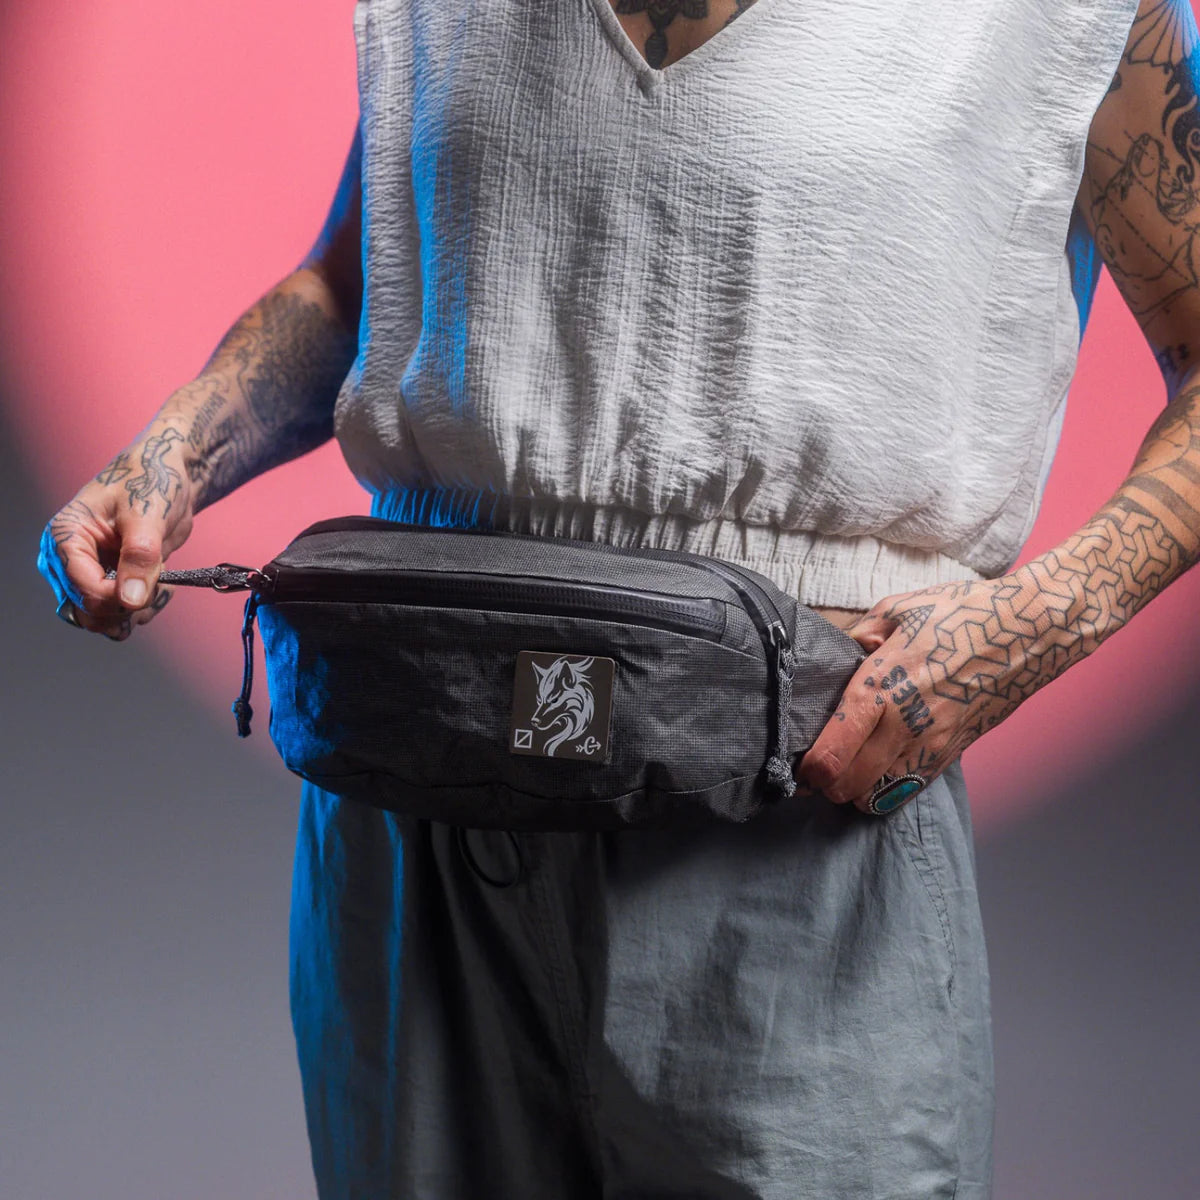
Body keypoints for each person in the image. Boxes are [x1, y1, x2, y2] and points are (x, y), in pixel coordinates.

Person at [37, 0, 1200, 1195]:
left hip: (802, 788)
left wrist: (1040, 623)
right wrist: (172, 455)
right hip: (424, 786)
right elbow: (357, 282)